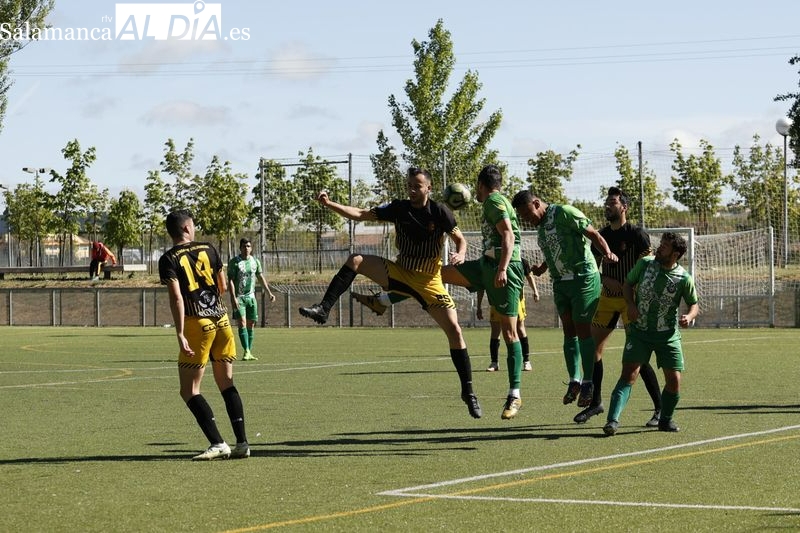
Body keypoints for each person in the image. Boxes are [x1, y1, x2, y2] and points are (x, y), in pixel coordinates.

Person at [297, 167, 482, 419]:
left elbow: (460, 240)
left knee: (455, 331)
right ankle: (323, 309)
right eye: (410, 186)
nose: (412, 190)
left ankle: (468, 392)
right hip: (400, 272)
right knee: (356, 260)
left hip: (430, 281)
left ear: (428, 188)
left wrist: (460, 253)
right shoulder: (399, 208)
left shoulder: (440, 212)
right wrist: (329, 204)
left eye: (417, 186)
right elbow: (361, 214)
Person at [511, 190, 617, 411]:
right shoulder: (541, 226)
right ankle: (574, 381)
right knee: (568, 330)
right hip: (560, 282)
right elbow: (555, 248)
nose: (527, 220)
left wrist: (607, 252)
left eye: (528, 213)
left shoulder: (565, 212)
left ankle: (588, 382)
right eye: (522, 217)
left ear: (537, 203)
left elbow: (593, 234)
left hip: (583, 277)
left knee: (582, 329)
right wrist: (542, 266)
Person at [158, 209, 250, 460]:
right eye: (193, 225)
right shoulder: (209, 248)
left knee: (189, 390)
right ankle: (242, 442)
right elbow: (221, 286)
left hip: (197, 323)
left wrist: (179, 333)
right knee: (226, 383)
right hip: (221, 321)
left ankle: (218, 443)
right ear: (186, 229)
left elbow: (177, 297)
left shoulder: (168, 259)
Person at [441, 164, 526, 420]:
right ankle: (385, 298)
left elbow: (508, 236)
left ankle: (515, 394)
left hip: (504, 270)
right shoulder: (494, 202)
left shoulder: (493, 201)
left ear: (480, 185)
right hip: (485, 266)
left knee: (510, 333)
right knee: (438, 273)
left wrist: (502, 269)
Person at [574, 187, 663, 426]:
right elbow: (592, 267)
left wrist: (628, 285)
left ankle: (660, 410)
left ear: (624, 207)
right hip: (606, 298)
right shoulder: (600, 236)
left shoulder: (637, 234)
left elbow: (651, 267)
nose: (607, 205)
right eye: (606, 201)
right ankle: (596, 404)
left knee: (638, 356)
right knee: (592, 350)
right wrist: (606, 279)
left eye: (612, 202)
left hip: (631, 300)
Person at [602, 231, 699, 436]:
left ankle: (665, 419)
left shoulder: (683, 278)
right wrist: (630, 304)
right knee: (629, 375)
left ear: (676, 254)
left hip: (667, 336)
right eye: (661, 243)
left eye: (665, 246)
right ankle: (612, 421)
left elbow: (693, 304)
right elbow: (628, 284)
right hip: (639, 332)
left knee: (674, 381)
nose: (659, 248)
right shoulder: (645, 264)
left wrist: (689, 317)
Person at [477, 257, 540, 373]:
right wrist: (479, 306)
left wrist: (535, 291)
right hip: (496, 299)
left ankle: (526, 361)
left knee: (519, 328)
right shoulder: (490, 262)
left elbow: (529, 276)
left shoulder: (521, 261)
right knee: (495, 330)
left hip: (516, 299)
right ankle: (494, 362)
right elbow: (481, 285)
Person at [227, 238, 277, 361]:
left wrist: (269, 292)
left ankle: (249, 351)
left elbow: (260, 277)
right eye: (244, 246)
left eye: (248, 246)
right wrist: (233, 298)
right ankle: (246, 350)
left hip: (251, 298)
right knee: (242, 323)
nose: (246, 248)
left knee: (251, 325)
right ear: (240, 248)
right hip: (240, 298)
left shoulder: (255, 262)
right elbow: (231, 281)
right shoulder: (234, 262)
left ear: (251, 248)